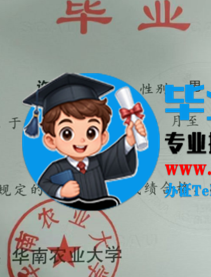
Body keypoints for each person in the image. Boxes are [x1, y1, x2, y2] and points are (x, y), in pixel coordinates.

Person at [23, 73, 147, 210]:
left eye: (91, 132)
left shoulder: (98, 163)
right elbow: (43, 186)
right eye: (67, 133)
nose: (81, 140)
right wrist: (60, 191)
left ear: (103, 137)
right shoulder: (57, 168)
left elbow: (115, 157)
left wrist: (130, 140)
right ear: (51, 141)